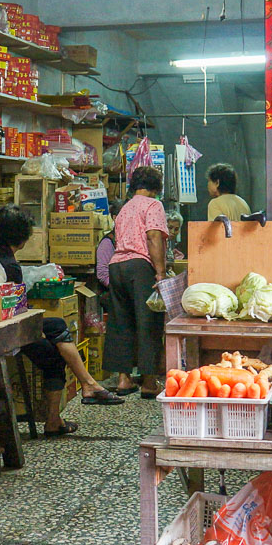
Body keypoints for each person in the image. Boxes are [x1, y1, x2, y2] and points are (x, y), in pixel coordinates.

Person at [0, 207, 123, 437]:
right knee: (54, 358)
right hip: (6, 331)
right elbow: (13, 309)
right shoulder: (9, 265)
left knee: (57, 325)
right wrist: (34, 330)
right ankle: (58, 417)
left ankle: (88, 385)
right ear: (23, 237)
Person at [104, 166, 168, 400]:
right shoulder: (153, 205)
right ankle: (149, 382)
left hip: (117, 266)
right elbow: (153, 237)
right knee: (148, 321)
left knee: (121, 323)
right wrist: (160, 272)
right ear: (156, 188)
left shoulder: (125, 208)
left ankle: (124, 379)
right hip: (139, 267)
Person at [94, 200, 125, 289]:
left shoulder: (134, 238)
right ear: (115, 217)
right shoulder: (108, 242)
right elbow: (102, 274)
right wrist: (117, 290)